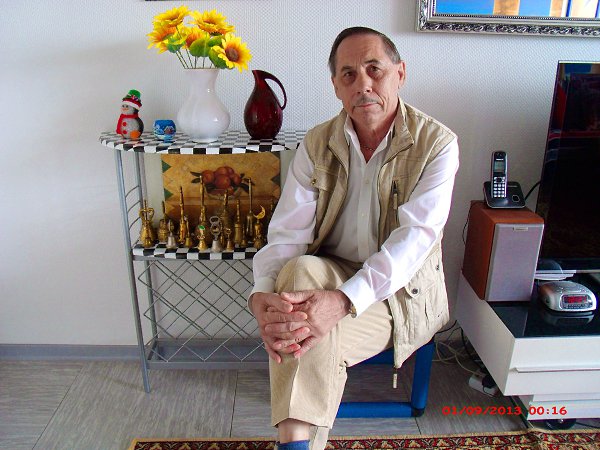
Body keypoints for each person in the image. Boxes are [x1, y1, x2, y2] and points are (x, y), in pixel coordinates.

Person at [248, 26, 459, 450]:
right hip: (328, 271)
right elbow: (288, 233)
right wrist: (261, 296)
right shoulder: (317, 142)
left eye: (374, 69)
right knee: (298, 275)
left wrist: (342, 301)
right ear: (336, 87)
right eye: (348, 74)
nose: (362, 84)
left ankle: (294, 441)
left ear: (400, 73)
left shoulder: (437, 144)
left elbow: (413, 243)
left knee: (304, 332)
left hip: (399, 292)